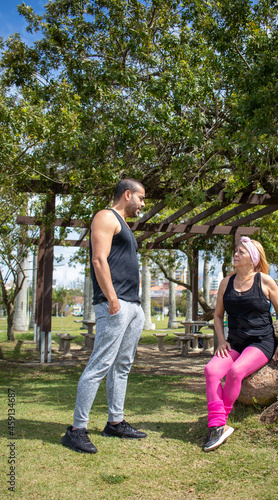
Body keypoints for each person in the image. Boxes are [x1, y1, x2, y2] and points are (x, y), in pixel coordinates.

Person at [62, 178, 146, 453]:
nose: (142, 204)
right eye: (141, 198)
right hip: (116, 303)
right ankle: (77, 429)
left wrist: (133, 306)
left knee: (122, 365)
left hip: (132, 305)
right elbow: (99, 259)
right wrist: (112, 298)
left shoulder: (126, 227)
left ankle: (115, 421)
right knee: (100, 364)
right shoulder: (105, 217)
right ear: (127, 194)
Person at [203, 236, 278, 452]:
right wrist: (221, 341)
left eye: (241, 251)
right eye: (236, 251)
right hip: (234, 343)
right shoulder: (226, 283)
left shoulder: (265, 281)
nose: (236, 254)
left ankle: (219, 419)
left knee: (235, 371)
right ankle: (218, 425)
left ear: (253, 258)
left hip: (260, 342)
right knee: (211, 370)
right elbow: (218, 315)